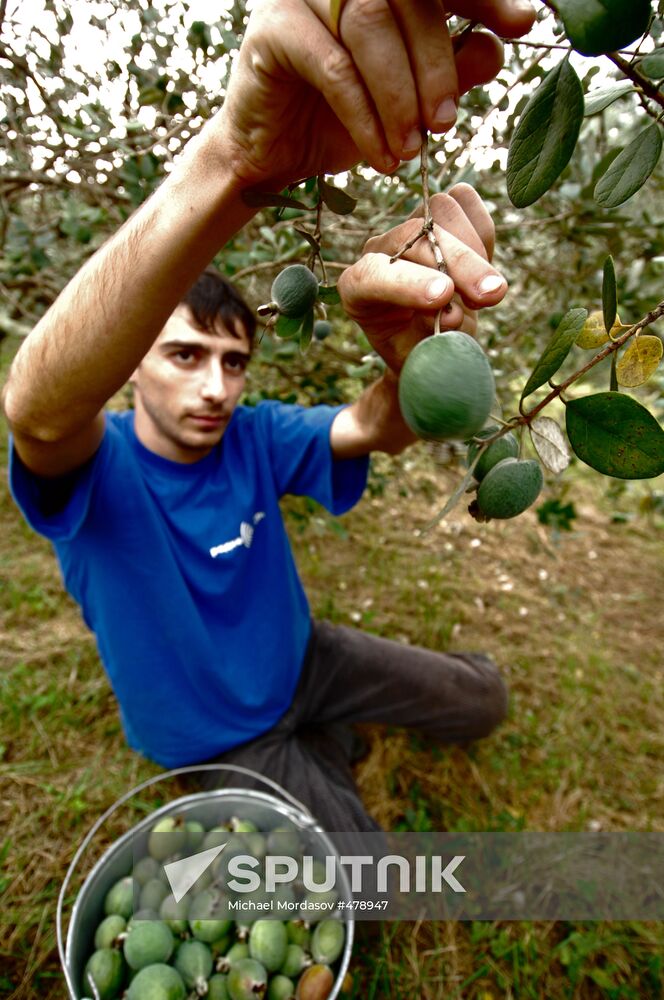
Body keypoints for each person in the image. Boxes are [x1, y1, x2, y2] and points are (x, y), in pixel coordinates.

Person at [3, 0, 535, 832]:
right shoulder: (94, 469)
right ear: (132, 362)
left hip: (302, 660)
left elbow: (372, 427)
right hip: (216, 734)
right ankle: (316, 754)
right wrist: (236, 161)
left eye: (234, 362)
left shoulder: (250, 437)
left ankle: (326, 736)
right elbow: (34, 411)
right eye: (185, 355)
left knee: (483, 699)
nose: (216, 387)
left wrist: (407, 365)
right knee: (363, 883)